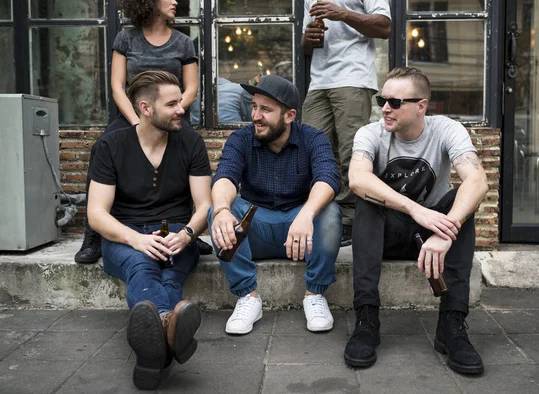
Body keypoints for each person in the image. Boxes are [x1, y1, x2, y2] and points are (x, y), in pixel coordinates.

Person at [344, 67, 488, 375]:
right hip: (387, 234)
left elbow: (477, 180)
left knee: (461, 200)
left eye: (395, 102)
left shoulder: (446, 129)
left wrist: (447, 230)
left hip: (432, 234)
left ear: (421, 106)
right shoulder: (371, 133)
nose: (384, 107)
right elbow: (357, 179)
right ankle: (366, 319)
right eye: (382, 99)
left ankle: (451, 325)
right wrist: (415, 209)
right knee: (368, 201)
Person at [87, 71, 212, 389]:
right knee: (142, 264)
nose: (182, 108)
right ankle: (169, 328)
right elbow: (96, 214)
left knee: (170, 273)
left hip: (177, 235)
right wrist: (136, 239)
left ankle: (154, 347)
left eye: (180, 100)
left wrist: (185, 235)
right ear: (145, 108)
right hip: (124, 236)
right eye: (172, 103)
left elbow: (205, 207)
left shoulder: (190, 142)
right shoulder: (112, 145)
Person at [75, 0, 213, 263]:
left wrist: (171, 110)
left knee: (185, 149)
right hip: (133, 114)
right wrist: (139, 122)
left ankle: (187, 231)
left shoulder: (183, 42)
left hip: (170, 113)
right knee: (101, 146)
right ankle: (93, 235)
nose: (175, 1)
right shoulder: (126, 38)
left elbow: (192, 88)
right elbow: (117, 87)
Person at [209, 75, 342, 335]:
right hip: (255, 230)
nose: (256, 116)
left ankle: (314, 295)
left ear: (290, 115)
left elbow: (329, 178)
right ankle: (248, 297)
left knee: (329, 211)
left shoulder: (313, 138)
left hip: (302, 236)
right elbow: (225, 175)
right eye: (254, 106)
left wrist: (306, 213)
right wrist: (222, 210)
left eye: (266, 110)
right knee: (218, 210)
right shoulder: (241, 139)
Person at [302, 0, 391, 246]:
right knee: (310, 149)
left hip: (352, 76)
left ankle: (350, 220)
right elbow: (307, 47)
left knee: (351, 152)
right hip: (319, 80)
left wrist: (342, 14)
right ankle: (320, 213)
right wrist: (307, 38)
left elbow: (384, 27)